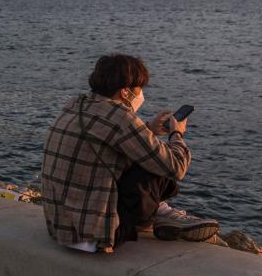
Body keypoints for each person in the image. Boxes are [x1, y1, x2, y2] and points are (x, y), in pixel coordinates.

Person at [41, 54, 219, 254]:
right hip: (96, 238)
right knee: (155, 166)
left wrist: (148, 128)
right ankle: (159, 214)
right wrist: (177, 133)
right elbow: (176, 167)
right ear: (125, 92)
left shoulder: (76, 105)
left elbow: (106, 139)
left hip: (61, 230)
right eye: (139, 88)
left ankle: (161, 212)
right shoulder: (120, 117)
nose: (141, 93)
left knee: (141, 155)